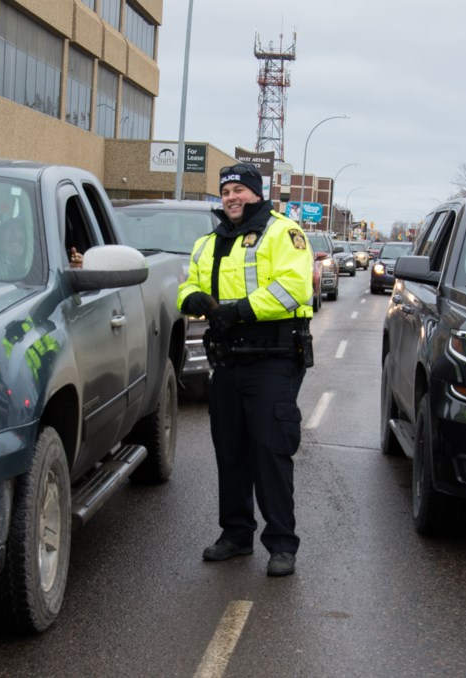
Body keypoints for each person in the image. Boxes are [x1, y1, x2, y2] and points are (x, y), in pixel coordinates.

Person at [176, 163, 314, 577]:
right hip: (228, 362)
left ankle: (281, 544)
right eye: (226, 191)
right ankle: (236, 536)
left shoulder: (283, 232)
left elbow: (294, 288)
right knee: (230, 452)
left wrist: (238, 311)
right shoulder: (208, 242)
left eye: (239, 190)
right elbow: (188, 284)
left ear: (256, 193)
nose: (231, 197)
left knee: (270, 450)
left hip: (272, 359)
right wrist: (193, 299)